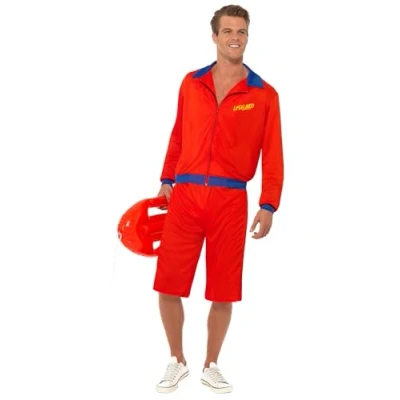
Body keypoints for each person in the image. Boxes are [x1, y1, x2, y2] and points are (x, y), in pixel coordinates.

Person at [153, 4, 284, 394]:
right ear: (214, 36)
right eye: (227, 31)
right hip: (186, 195)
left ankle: (211, 364)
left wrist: (268, 203)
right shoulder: (191, 83)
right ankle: (176, 359)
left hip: (230, 200)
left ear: (247, 37)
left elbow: (273, 153)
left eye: (241, 31)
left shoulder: (263, 94)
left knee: (223, 290)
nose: (234, 38)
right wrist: (166, 179)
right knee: (168, 284)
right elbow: (178, 134)